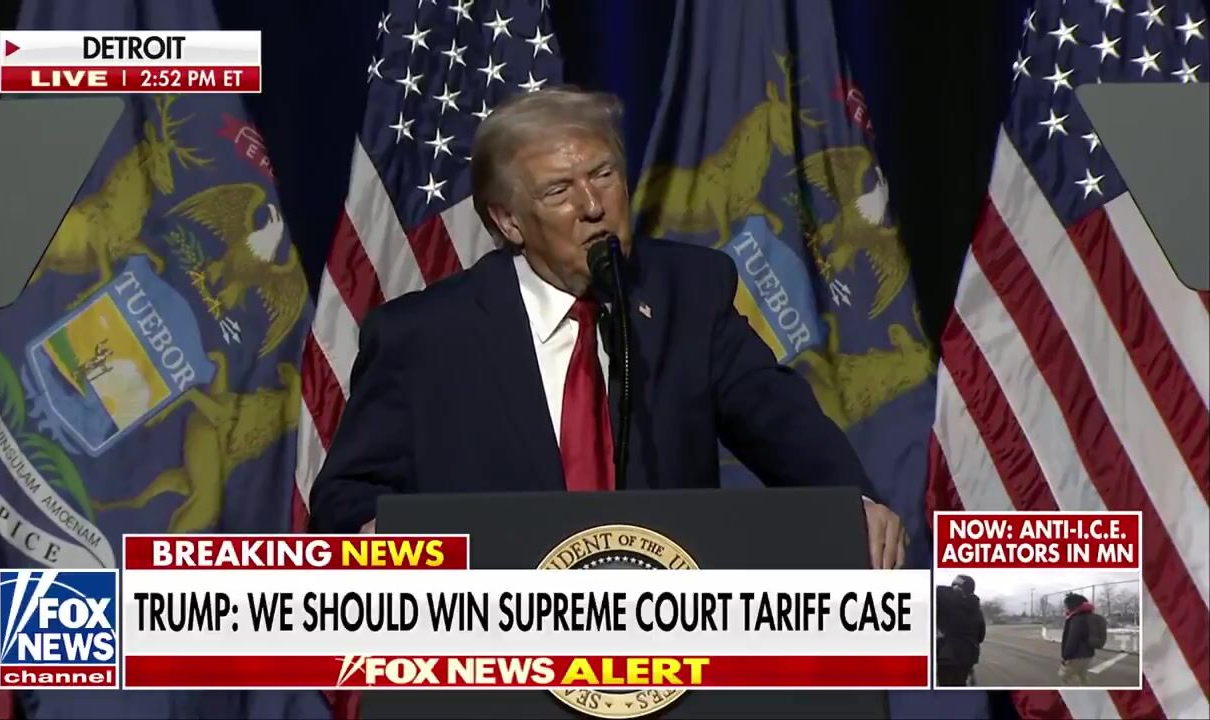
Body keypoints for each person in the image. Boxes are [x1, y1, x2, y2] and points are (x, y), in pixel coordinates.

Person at [308, 87, 907, 569]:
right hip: (500, 651)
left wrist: (849, 502)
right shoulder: (425, 337)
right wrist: (377, 539)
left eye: (603, 175)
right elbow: (344, 500)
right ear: (509, 221)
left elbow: (780, 420)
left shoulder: (688, 294)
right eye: (559, 191)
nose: (592, 205)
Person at [934, 575, 985, 686]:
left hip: (946, 655)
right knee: (960, 682)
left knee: (945, 684)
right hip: (967, 655)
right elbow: (981, 636)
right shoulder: (976, 609)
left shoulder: (941, 599)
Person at [1059, 593, 1096, 685]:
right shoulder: (1089, 617)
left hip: (1076, 656)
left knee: (1064, 676)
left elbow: (1072, 639)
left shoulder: (1076, 619)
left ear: (1072, 606)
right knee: (1083, 676)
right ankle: (1087, 691)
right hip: (1088, 654)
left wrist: (1066, 656)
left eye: (1066, 606)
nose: (1065, 608)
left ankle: (1073, 693)